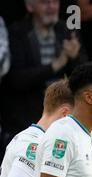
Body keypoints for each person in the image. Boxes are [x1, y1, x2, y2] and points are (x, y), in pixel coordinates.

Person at [2, 0, 87, 139]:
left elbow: (84, 75)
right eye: (45, 2)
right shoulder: (17, 32)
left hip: (63, 117)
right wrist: (55, 65)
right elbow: (16, 79)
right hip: (25, 119)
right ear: (30, 6)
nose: (52, 7)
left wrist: (75, 57)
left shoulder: (66, 30)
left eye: (55, 2)